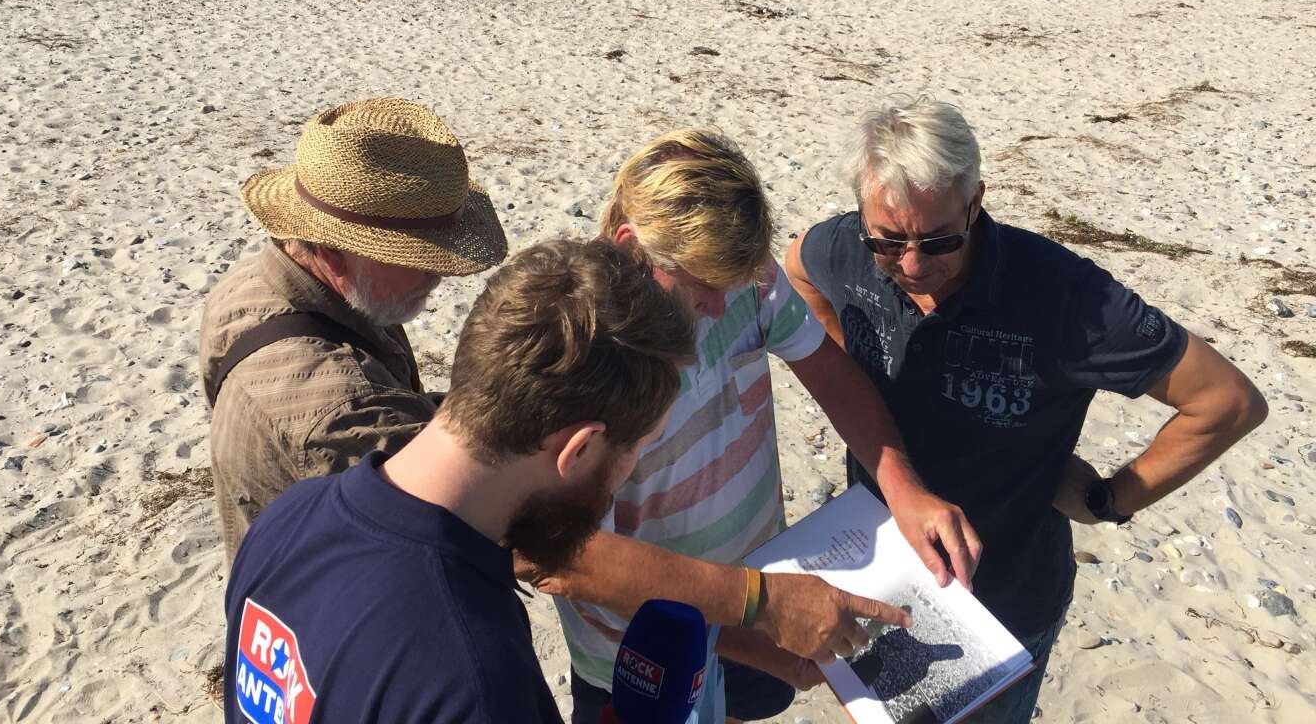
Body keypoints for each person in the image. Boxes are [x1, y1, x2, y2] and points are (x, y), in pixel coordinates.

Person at [786, 95, 1267, 722]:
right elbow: (796, 268)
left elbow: (1227, 402)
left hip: (1005, 599)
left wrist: (1109, 500)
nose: (912, 264)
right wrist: (850, 376)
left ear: (976, 203)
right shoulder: (844, 248)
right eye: (889, 241)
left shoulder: (1066, 296)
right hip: (876, 565)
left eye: (939, 240)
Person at [538, 130, 980, 723]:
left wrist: (904, 488)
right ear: (629, 248)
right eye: (705, 289)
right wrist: (752, 622)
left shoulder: (740, 272)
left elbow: (827, 370)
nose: (723, 309)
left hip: (761, 592)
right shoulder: (580, 366)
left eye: (735, 285)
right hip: (645, 651)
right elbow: (567, 559)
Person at [223, 238, 697, 724]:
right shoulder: (474, 675)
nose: (632, 469)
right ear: (578, 449)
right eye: (639, 445)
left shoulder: (288, 516)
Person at [200, 97, 508, 560]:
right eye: (415, 256)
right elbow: (473, 518)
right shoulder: (345, 406)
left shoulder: (250, 284)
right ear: (331, 252)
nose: (438, 273)